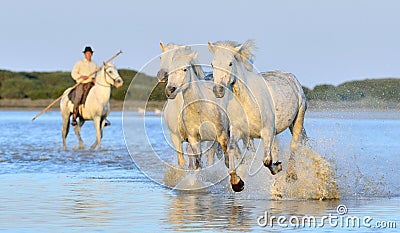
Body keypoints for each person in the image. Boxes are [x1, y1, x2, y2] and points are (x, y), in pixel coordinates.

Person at [70, 46, 98, 126]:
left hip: (91, 84)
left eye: (90, 53)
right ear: (84, 54)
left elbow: (97, 75)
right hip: (82, 83)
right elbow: (73, 73)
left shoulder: (94, 64)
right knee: (78, 97)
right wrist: (81, 76)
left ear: (92, 54)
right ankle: (74, 117)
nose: (88, 55)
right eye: (87, 53)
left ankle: (102, 116)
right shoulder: (79, 63)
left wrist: (95, 79)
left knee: (99, 97)